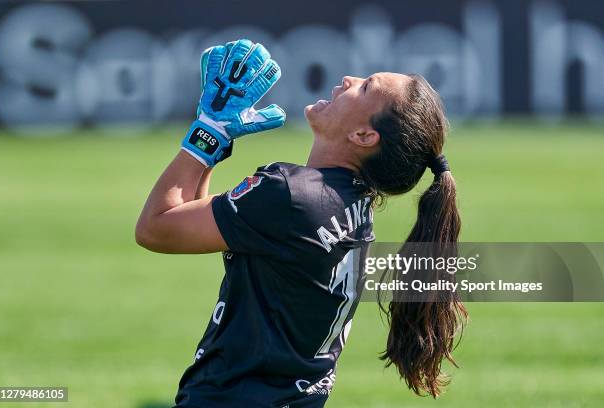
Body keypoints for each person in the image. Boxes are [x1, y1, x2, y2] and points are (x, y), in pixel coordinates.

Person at [136, 39, 467, 408]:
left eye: (366, 86)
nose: (347, 79)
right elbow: (191, 221)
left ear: (364, 136)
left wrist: (208, 130)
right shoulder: (355, 206)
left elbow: (156, 227)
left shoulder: (290, 196)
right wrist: (215, 140)